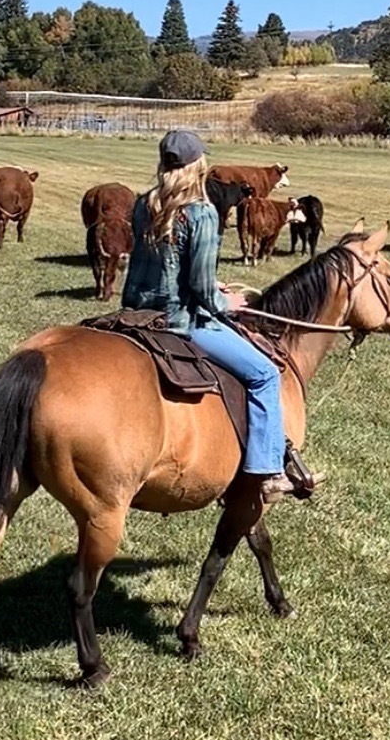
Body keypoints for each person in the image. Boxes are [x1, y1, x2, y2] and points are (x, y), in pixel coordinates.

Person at [123, 130, 318, 501]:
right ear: (198, 164)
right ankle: (267, 471)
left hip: (136, 313)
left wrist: (212, 284)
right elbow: (199, 292)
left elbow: (167, 266)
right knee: (263, 373)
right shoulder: (201, 212)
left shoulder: (143, 203)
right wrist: (226, 300)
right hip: (181, 322)